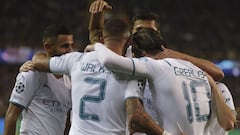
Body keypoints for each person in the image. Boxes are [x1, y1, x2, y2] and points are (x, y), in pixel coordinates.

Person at [87, 0, 225, 121]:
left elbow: (217, 73)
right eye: (139, 29)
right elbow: (97, 37)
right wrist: (97, 14)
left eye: (149, 30)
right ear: (131, 34)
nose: (144, 33)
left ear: (157, 33)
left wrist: (176, 55)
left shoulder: (169, 59)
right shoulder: (124, 54)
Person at [31, 18, 169, 135]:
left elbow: (38, 63)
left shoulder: (76, 60)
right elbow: (136, 115)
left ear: (103, 39)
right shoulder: (133, 70)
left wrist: (37, 57)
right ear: (128, 42)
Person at [92, 28, 236, 135]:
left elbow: (109, 60)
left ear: (139, 55)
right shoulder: (196, 70)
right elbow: (228, 123)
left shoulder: (155, 66)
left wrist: (96, 45)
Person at [4, 24, 73, 135]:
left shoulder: (69, 78)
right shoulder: (31, 73)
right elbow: (11, 116)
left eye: (71, 45)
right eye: (65, 46)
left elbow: (67, 121)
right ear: (48, 47)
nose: (70, 51)